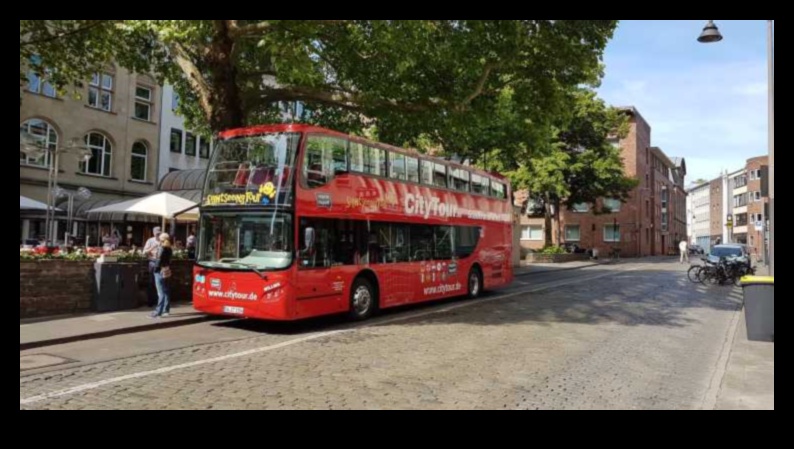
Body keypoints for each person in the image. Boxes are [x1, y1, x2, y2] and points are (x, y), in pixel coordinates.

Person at [150, 232, 173, 318]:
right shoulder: (169, 248)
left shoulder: (161, 248)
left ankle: (158, 311)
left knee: (161, 292)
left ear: (161, 240)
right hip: (167, 269)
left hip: (159, 270)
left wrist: (155, 269)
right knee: (166, 291)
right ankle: (166, 310)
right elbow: (169, 260)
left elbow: (159, 260)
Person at [143, 227, 162, 307]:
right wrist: (152, 248)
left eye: (159, 233)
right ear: (154, 233)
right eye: (157, 233)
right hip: (153, 262)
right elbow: (144, 252)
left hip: (161, 262)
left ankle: (159, 301)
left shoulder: (163, 241)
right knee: (151, 282)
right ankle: (150, 301)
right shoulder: (150, 241)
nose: (158, 235)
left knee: (160, 283)